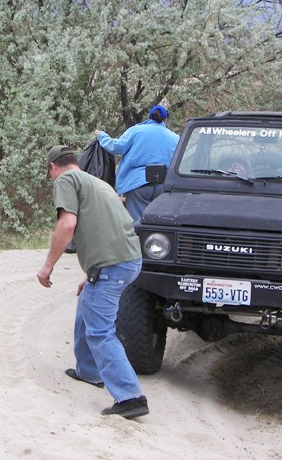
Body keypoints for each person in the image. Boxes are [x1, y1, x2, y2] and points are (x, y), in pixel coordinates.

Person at [37, 145, 149, 420]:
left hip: (113, 265)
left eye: (49, 173)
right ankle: (89, 371)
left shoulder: (66, 180)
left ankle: (130, 396)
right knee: (87, 303)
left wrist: (48, 265)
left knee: (100, 331)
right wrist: (91, 274)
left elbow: (66, 225)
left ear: (53, 167)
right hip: (129, 261)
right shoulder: (99, 184)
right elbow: (112, 228)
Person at [94, 104, 179, 222]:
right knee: (158, 223)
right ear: (165, 119)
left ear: (149, 117)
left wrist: (102, 136)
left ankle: (138, 240)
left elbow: (116, 147)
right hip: (162, 186)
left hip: (137, 185)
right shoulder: (175, 137)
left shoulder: (136, 131)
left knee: (138, 224)